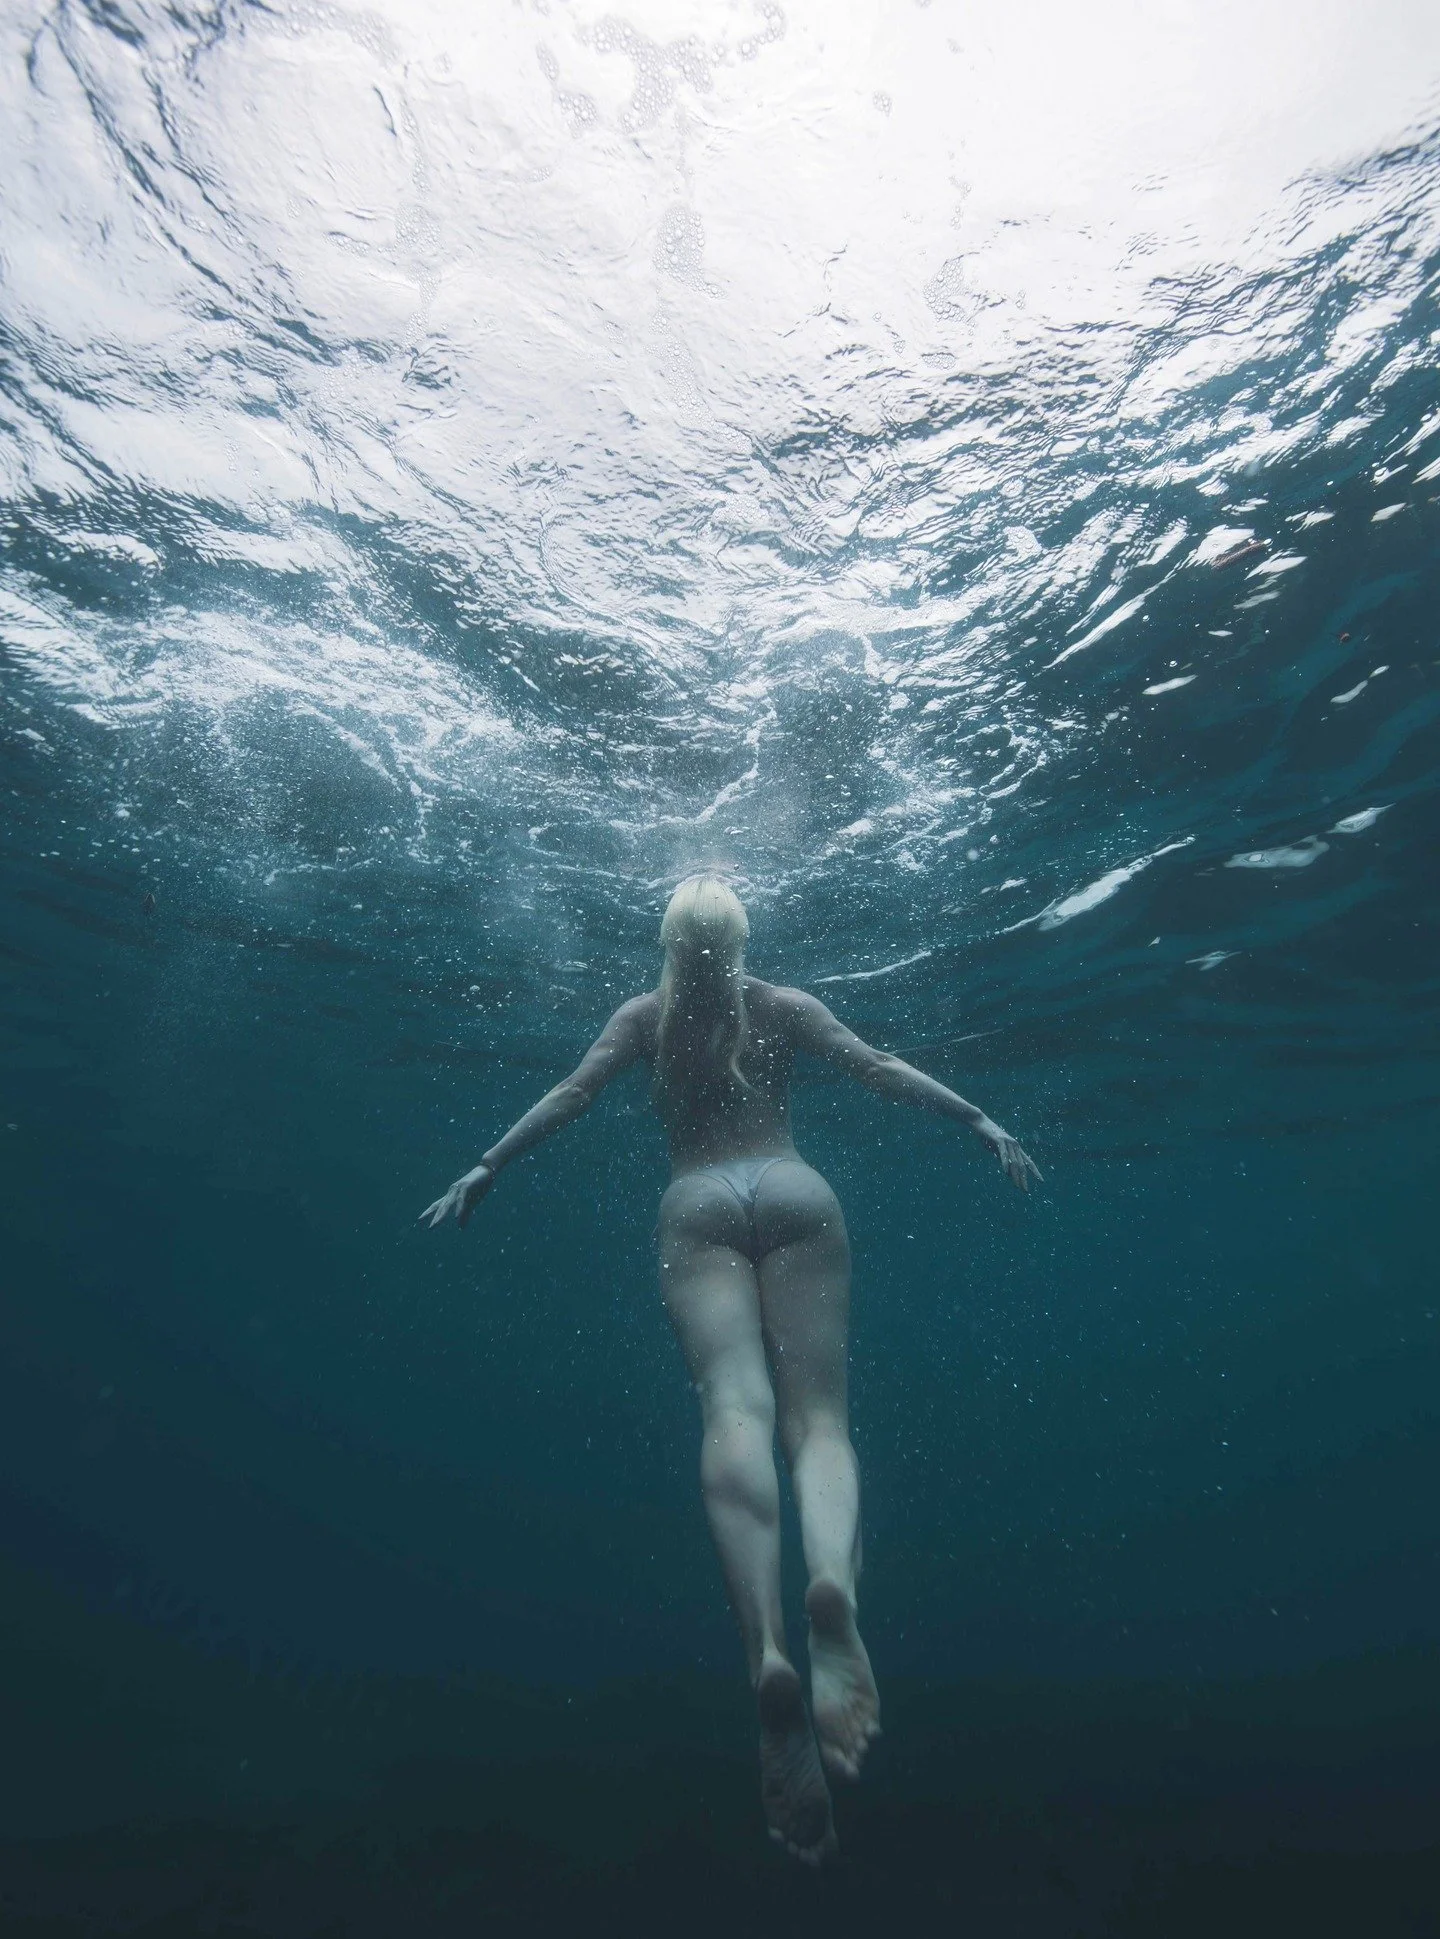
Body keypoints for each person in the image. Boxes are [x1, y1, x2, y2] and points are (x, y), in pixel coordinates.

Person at [421, 875, 1040, 1864]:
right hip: (796, 1188)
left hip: (698, 1201)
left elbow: (573, 1093)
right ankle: (830, 1583)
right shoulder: (784, 1006)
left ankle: (765, 1651)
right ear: (742, 937)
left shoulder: (641, 1017)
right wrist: (981, 1121)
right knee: (821, 1426)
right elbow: (876, 1066)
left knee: (735, 1415)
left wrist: (488, 1163)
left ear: (668, 943)